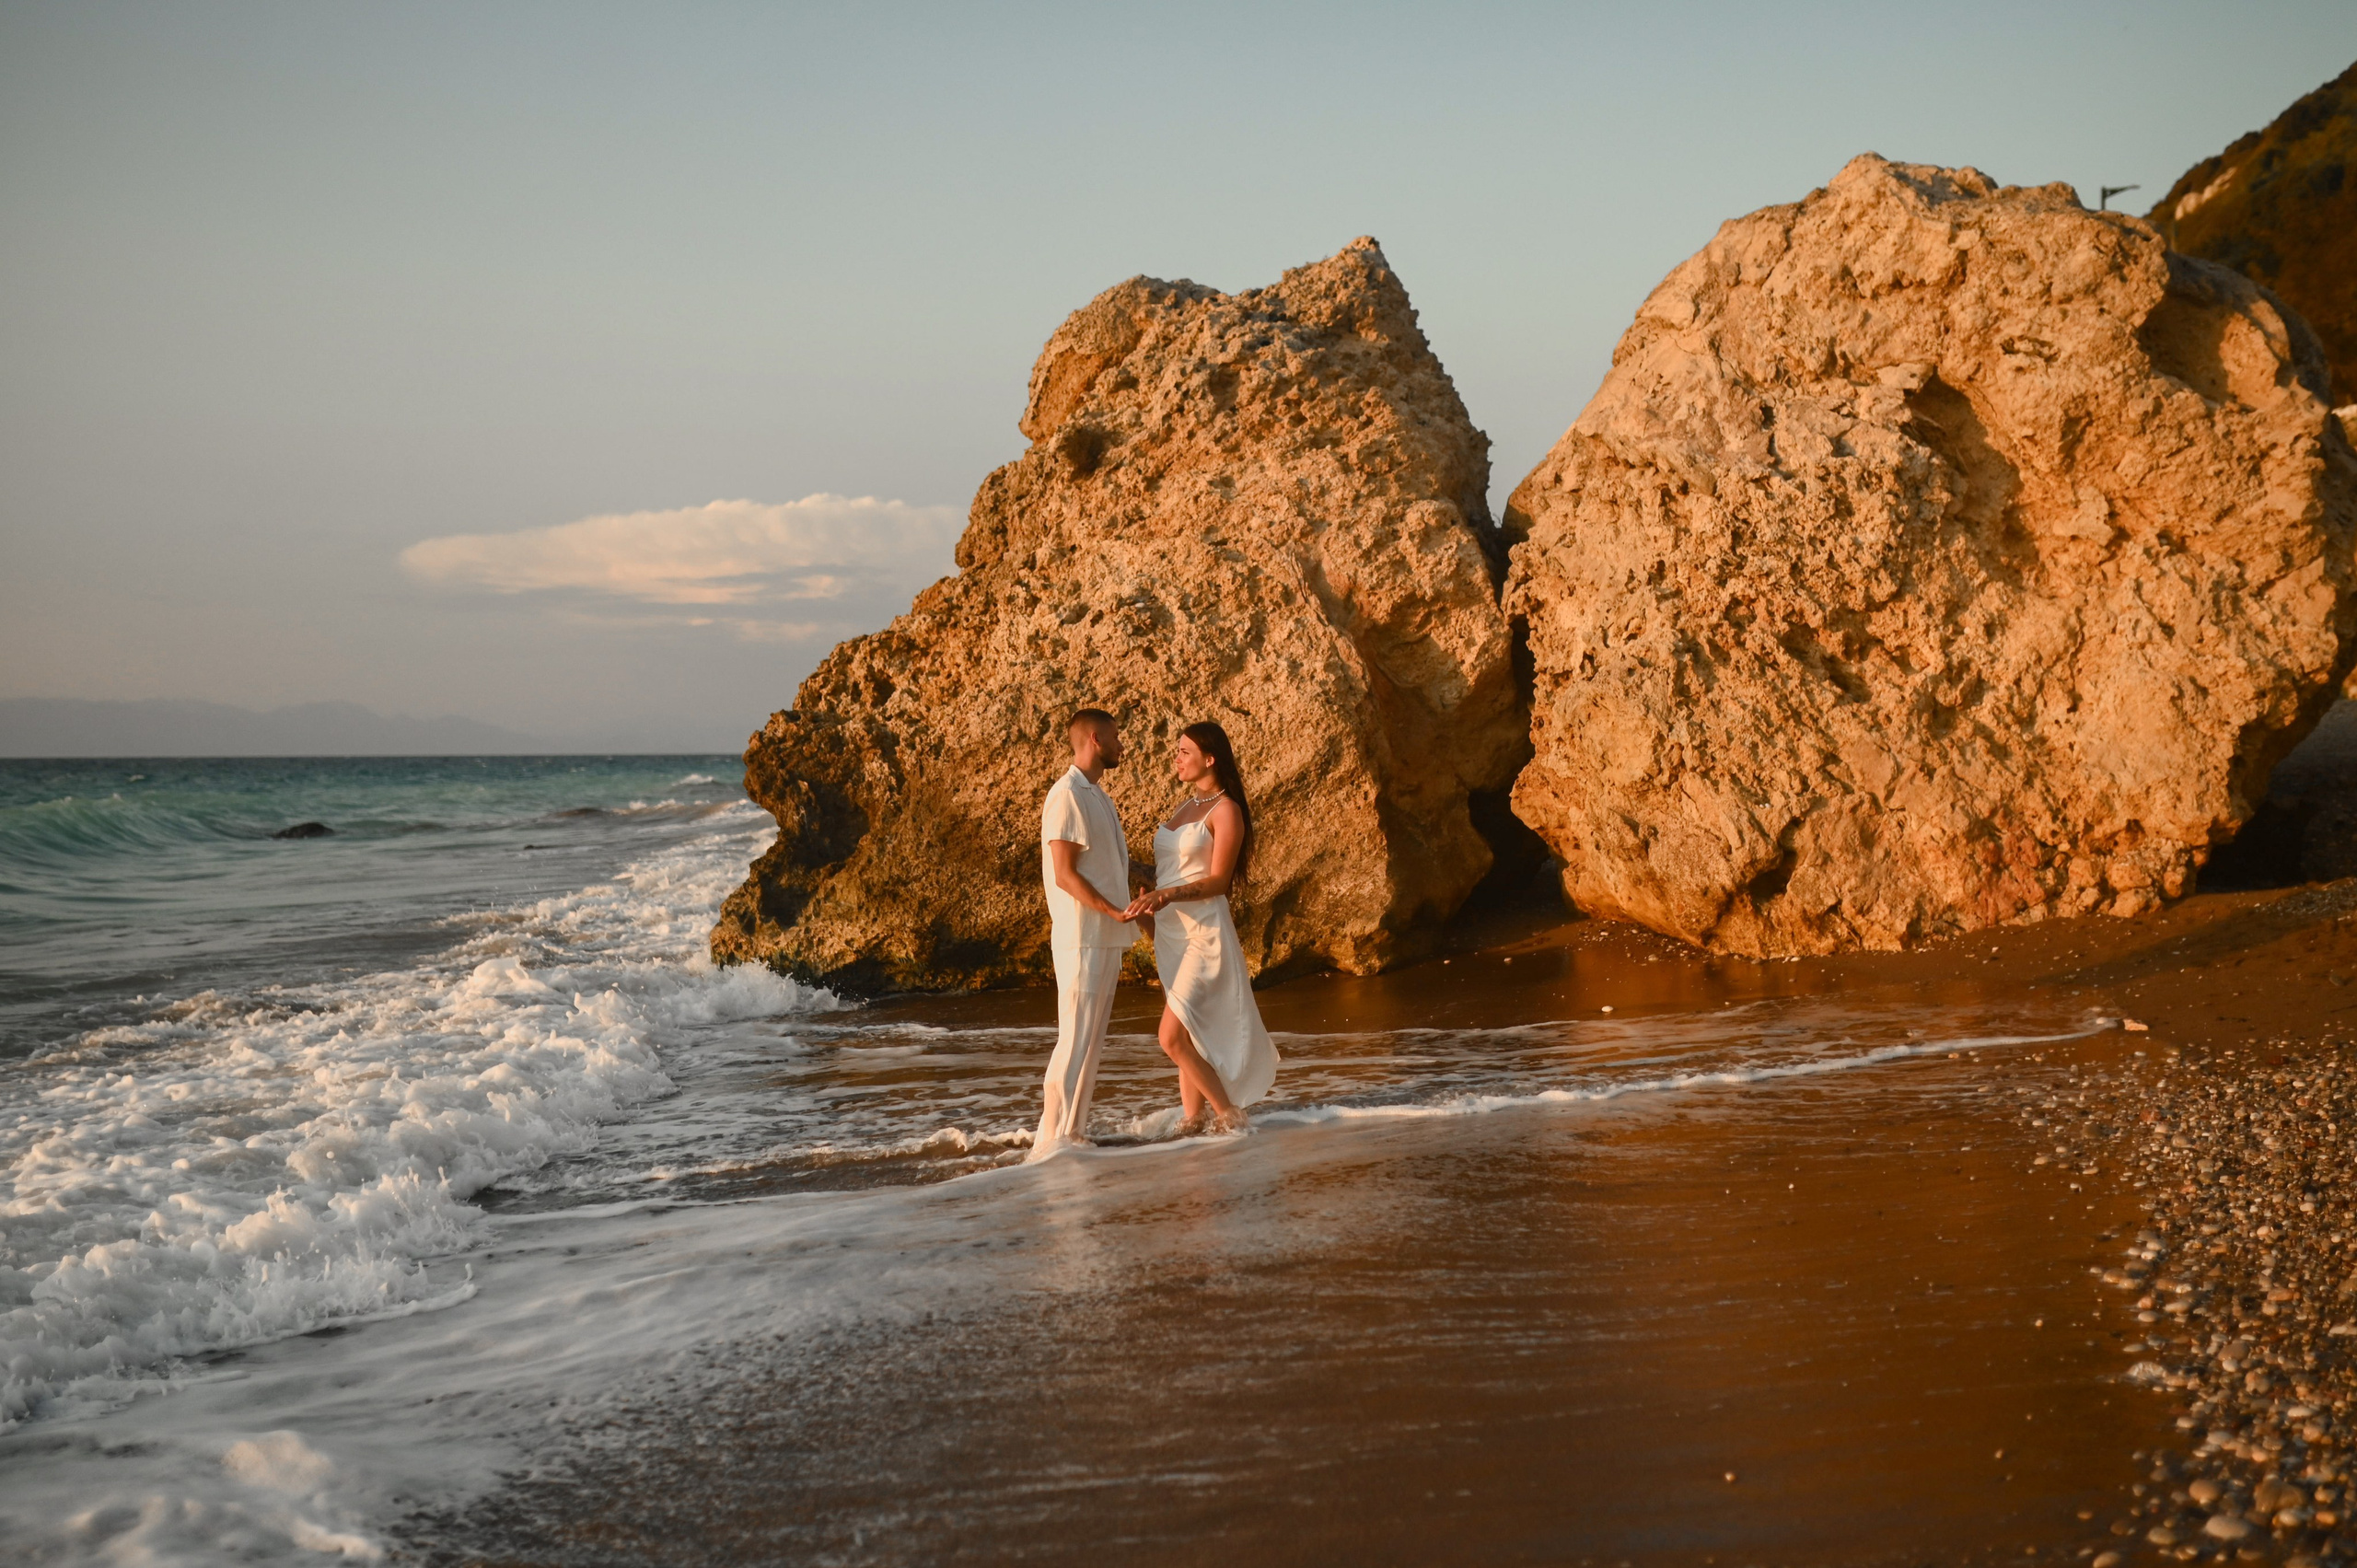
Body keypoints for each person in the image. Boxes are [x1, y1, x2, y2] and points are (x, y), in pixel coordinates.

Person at [1123, 721, 1278, 1134]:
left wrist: (1166, 896)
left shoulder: (1226, 811)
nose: (1177, 758)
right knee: (1189, 1033)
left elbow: (1218, 882)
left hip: (1205, 934)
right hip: (1172, 931)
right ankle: (1192, 1123)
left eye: (1185, 752)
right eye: (1177, 750)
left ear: (1210, 759)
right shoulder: (1183, 808)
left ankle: (1229, 1116)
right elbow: (1169, 873)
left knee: (1170, 1037)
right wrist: (1146, 904)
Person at [1028, 707, 1144, 1160]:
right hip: (1081, 935)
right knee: (1074, 1038)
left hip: (1106, 935)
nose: (1121, 745)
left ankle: (1073, 1136)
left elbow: (1111, 865)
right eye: (1115, 738)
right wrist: (1112, 910)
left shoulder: (1099, 796)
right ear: (1094, 739)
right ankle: (1049, 1142)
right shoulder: (1066, 794)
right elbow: (1064, 874)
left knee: (1092, 1042)